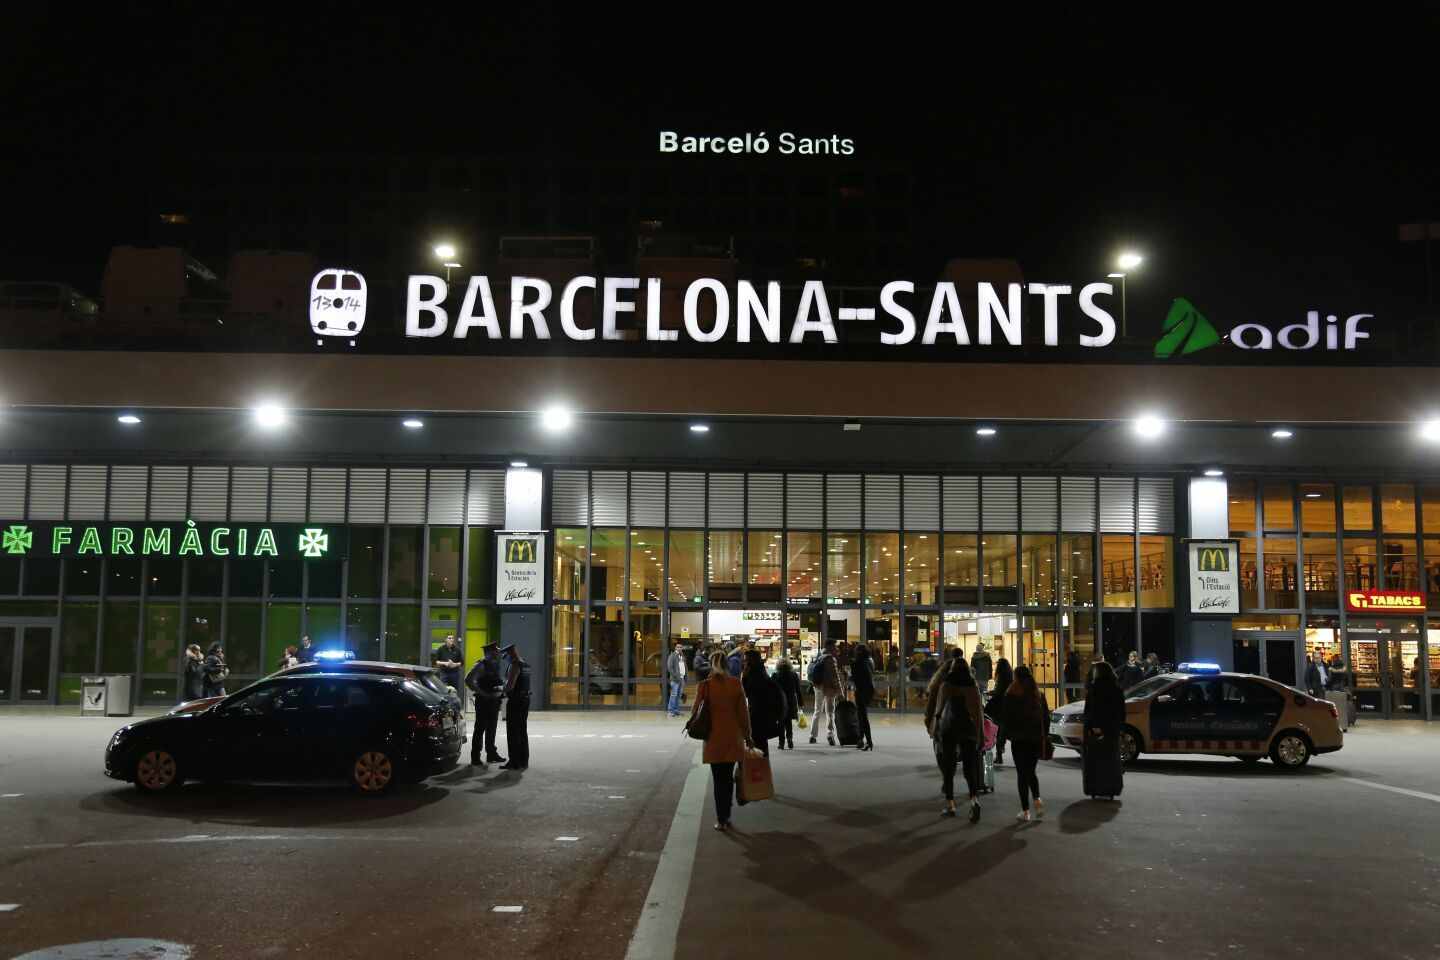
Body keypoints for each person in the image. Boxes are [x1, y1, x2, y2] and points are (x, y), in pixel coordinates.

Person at [689, 650, 754, 831]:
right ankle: (728, 813)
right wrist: (748, 736)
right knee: (728, 778)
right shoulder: (735, 684)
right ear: (727, 665)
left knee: (719, 780)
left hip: (713, 740)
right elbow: (743, 714)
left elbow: (695, 712)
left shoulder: (705, 686)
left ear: (711, 664)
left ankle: (721, 818)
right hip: (733, 739)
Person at [925, 657, 984, 822]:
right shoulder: (973, 686)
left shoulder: (947, 684)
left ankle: (950, 805)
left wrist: (935, 728)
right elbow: (978, 713)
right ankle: (974, 801)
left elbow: (939, 709)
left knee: (949, 768)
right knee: (969, 769)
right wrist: (980, 735)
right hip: (969, 730)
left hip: (950, 729)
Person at [1001, 665, 1050, 822]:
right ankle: (1037, 800)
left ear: (1016, 678)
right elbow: (1046, 719)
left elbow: (1005, 720)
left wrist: (1003, 739)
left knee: (1022, 774)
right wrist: (1044, 736)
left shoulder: (1011, 695)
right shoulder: (1038, 695)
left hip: (1019, 740)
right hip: (1035, 740)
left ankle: (1025, 811)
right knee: (1031, 772)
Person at [1082, 661, 1126, 796]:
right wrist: (1119, 727)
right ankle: (1112, 788)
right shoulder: (1117, 688)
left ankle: (1095, 788)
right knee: (1111, 759)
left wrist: (1090, 727)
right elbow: (1121, 711)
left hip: (1096, 730)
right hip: (1112, 729)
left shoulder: (1094, 689)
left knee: (1095, 760)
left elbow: (1090, 710)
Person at [465, 643, 506, 766]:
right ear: (490, 651)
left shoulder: (494, 664)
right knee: (480, 729)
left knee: (491, 729)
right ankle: (475, 757)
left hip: (493, 701)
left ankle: (491, 754)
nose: (498, 652)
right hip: (484, 701)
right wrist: (482, 693)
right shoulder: (481, 664)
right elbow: (468, 680)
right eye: (496, 650)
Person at [741, 649, 782, 759]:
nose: (744, 662)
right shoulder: (761, 671)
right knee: (762, 743)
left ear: (750, 660)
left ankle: (758, 769)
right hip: (764, 712)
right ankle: (762, 767)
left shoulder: (753, 673)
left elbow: (746, 691)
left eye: (746, 660)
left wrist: (744, 677)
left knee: (757, 742)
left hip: (757, 713)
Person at [499, 643, 531, 771]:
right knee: (522, 731)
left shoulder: (515, 665)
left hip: (516, 701)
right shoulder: (525, 664)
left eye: (505, 656)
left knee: (513, 732)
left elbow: (510, 686)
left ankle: (514, 762)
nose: (505, 659)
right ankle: (523, 760)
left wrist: (500, 688)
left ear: (510, 654)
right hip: (525, 700)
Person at [808, 639, 842, 746]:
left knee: (817, 711)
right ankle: (830, 735)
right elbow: (835, 677)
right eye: (834, 646)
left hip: (818, 687)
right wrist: (840, 692)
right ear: (830, 647)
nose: (836, 648)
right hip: (829, 688)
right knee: (830, 712)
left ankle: (812, 736)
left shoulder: (818, 655)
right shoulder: (831, 659)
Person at [984, 656, 1014, 766]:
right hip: (1008, 707)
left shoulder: (1001, 678)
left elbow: (999, 692)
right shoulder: (1011, 677)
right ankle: (999, 752)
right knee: (1003, 730)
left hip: (999, 707)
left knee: (998, 730)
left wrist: (990, 693)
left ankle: (999, 754)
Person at [850, 642, 876, 751]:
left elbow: (855, 678)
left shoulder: (857, 663)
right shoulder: (869, 661)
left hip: (860, 691)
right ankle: (861, 739)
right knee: (862, 716)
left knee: (862, 717)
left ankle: (868, 741)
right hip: (868, 690)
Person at [773, 658, 802, 750]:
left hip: (780, 701)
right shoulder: (794, 675)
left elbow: (771, 689)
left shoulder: (775, 675)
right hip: (791, 700)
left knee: (781, 722)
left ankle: (781, 743)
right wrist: (801, 702)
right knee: (788, 722)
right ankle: (790, 740)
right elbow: (798, 690)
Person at [434, 634, 464, 702]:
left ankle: (454, 706)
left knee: (454, 691)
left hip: (454, 673)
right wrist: (445, 663)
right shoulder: (441, 649)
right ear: (446, 640)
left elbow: (462, 662)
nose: (451, 639)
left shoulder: (457, 649)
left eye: (452, 638)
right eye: (449, 638)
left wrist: (454, 664)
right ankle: (445, 705)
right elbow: (436, 661)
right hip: (444, 673)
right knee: (444, 690)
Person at [665, 641, 688, 718]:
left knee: (679, 695)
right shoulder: (672, 655)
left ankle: (676, 710)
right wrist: (676, 676)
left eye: (681, 647)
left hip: (682, 679)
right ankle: (670, 711)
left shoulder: (682, 656)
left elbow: (685, 667)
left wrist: (685, 677)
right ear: (675, 648)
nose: (679, 648)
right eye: (678, 647)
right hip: (675, 680)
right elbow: (670, 668)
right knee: (674, 695)